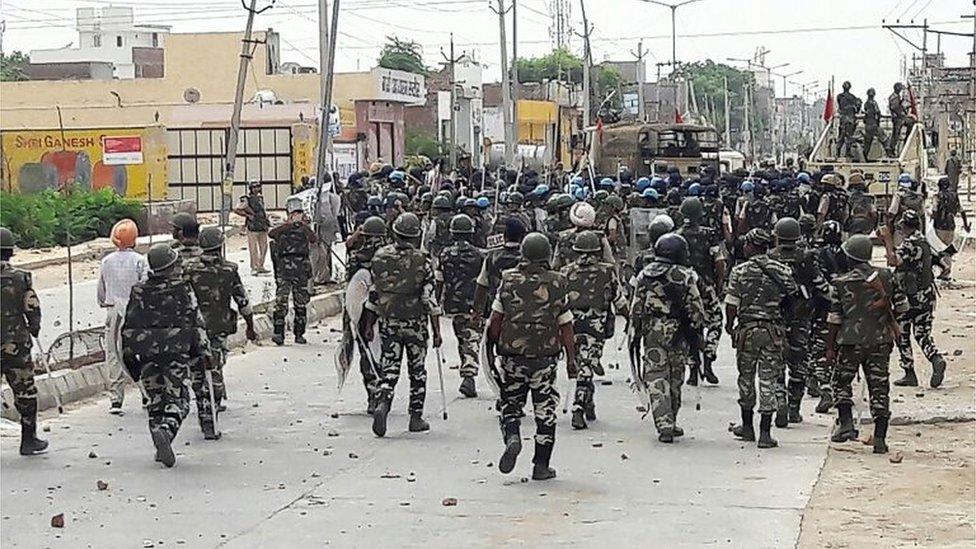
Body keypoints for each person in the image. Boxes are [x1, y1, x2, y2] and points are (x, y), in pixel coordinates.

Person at [486, 232, 576, 481]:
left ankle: (513, 436)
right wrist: (571, 359)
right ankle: (541, 465)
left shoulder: (508, 279)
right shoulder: (558, 282)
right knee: (545, 411)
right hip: (544, 357)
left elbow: (496, 319)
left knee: (510, 404)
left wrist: (492, 349)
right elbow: (565, 324)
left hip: (513, 356)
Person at [122, 244, 212, 467]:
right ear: (171, 267)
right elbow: (196, 320)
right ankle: (166, 431)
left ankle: (159, 442)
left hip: (146, 355)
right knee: (179, 400)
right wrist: (204, 352)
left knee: (155, 400)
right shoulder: (183, 288)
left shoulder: (138, 290)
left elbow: (128, 325)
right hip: (176, 352)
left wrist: (129, 360)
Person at [362, 212, 442, 437]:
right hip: (415, 324)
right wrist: (436, 331)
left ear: (395, 233)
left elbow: (374, 295)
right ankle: (415, 418)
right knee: (417, 371)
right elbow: (429, 298)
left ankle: (383, 402)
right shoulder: (422, 260)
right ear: (416, 235)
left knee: (389, 369)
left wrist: (369, 325)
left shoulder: (379, 257)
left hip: (389, 323)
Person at [827, 235, 908, 454]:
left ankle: (846, 424)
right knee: (879, 388)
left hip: (849, 342)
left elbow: (835, 318)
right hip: (880, 341)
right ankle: (880, 438)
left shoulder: (841, 283)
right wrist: (887, 320)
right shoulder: (886, 277)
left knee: (841, 382)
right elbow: (902, 307)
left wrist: (830, 347)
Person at [725, 229, 797, 449]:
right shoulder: (783, 271)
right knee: (768, 379)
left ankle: (747, 427)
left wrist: (730, 326)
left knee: (746, 378)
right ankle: (765, 433)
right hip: (772, 332)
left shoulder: (739, 271)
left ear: (751, 245)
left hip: (747, 332)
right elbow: (793, 300)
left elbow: (731, 303)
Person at [631, 233, 705, 443]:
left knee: (655, 375)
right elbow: (696, 308)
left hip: (652, 330)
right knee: (675, 375)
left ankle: (664, 423)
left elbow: (636, 307)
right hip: (678, 331)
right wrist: (698, 332)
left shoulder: (645, 274)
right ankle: (670, 418)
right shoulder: (686, 275)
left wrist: (634, 332)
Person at [184, 227, 258, 431]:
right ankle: (212, 413)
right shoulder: (229, 270)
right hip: (218, 328)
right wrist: (250, 326)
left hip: (193, 330)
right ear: (220, 245)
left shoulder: (189, 269)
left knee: (198, 374)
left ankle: (205, 412)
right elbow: (242, 300)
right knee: (215, 369)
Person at [767, 217, 833, 426]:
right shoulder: (807, 258)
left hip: (775, 318)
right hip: (801, 317)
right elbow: (822, 287)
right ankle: (794, 407)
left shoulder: (770, 258)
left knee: (776, 362)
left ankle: (780, 401)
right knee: (799, 363)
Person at [562, 231, 628, 431]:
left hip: (570, 327)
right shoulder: (607, 271)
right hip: (595, 328)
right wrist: (631, 319)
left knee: (582, 364)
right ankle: (578, 407)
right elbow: (619, 301)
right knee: (587, 366)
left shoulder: (565, 272)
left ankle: (588, 403)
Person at [883, 210, 947, 388]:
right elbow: (944, 265)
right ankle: (935, 358)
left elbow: (893, 261)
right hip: (927, 295)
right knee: (922, 333)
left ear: (904, 226)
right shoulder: (925, 242)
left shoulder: (909, 244)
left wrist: (887, 240)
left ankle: (909, 372)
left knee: (902, 334)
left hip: (909, 298)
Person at [0, 227, 48, 456]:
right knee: (25, 392)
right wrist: (34, 326)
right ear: (10, 252)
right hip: (16, 345)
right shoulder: (20, 278)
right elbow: (32, 307)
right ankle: (29, 440)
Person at [97, 219, 149, 414]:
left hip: (113, 313)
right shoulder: (140, 261)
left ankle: (116, 399)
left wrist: (107, 303)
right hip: (136, 313)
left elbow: (101, 293)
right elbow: (145, 286)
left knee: (114, 355)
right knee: (140, 353)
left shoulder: (106, 261)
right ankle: (146, 393)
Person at [676, 198, 726, 386]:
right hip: (705, 286)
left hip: (685, 287)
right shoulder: (709, 234)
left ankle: (693, 368)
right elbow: (719, 261)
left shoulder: (677, 236)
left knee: (690, 326)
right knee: (715, 322)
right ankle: (709, 359)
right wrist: (719, 283)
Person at [438, 214, 487, 399]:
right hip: (475, 303)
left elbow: (439, 280)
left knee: (463, 337)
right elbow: (485, 282)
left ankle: (467, 371)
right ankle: (469, 374)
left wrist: (436, 302)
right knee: (472, 339)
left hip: (454, 304)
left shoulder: (444, 254)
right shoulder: (479, 255)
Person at [343, 216, 388, 412]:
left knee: (366, 352)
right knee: (386, 352)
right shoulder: (390, 256)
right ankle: (383, 391)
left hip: (362, 313)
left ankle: (372, 393)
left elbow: (352, 289)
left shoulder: (357, 258)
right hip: (387, 310)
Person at [269, 197, 316, 345]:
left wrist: (304, 225)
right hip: (285, 268)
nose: (297, 216)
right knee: (281, 301)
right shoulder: (283, 228)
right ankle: (278, 333)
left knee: (300, 303)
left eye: (299, 213)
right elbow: (271, 234)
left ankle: (299, 333)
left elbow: (314, 239)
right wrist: (288, 225)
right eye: (294, 213)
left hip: (301, 268)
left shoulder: (305, 229)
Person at [473, 218, 526, 320]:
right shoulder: (526, 258)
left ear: (504, 236)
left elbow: (481, 285)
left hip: (494, 311)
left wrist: (476, 311)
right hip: (520, 314)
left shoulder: (491, 256)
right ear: (522, 237)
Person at [932, 176, 970, 279]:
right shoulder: (954, 196)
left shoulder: (937, 196)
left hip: (939, 226)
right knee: (948, 249)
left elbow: (935, 210)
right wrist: (966, 225)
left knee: (937, 249)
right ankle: (947, 273)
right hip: (951, 226)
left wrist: (932, 219)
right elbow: (962, 211)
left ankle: (943, 269)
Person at [233, 181, 271, 275]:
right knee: (253, 249)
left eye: (258, 186)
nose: (256, 189)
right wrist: (247, 215)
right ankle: (254, 267)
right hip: (252, 226)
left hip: (262, 225)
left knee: (264, 248)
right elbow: (237, 209)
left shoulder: (260, 198)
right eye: (254, 187)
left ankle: (260, 266)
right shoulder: (246, 199)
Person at [310, 174, 342, 286]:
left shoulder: (332, 198)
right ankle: (315, 277)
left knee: (326, 253)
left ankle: (324, 276)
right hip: (315, 230)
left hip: (327, 228)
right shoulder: (311, 198)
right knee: (317, 254)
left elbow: (334, 214)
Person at [835, 81, 862, 158]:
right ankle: (847, 152)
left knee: (842, 136)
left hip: (843, 120)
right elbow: (857, 109)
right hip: (850, 120)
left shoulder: (839, 96)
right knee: (848, 137)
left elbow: (840, 107)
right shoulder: (852, 97)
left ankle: (838, 153)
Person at [887, 82, 913, 156]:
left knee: (909, 124)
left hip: (900, 117)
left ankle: (905, 142)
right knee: (896, 134)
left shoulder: (897, 96)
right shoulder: (894, 97)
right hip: (898, 118)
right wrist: (903, 114)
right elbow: (895, 108)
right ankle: (891, 149)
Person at [862, 88, 885, 160]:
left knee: (867, 142)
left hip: (868, 124)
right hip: (873, 124)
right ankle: (890, 153)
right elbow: (878, 112)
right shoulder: (873, 103)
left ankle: (865, 155)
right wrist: (878, 122)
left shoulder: (866, 103)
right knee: (884, 138)